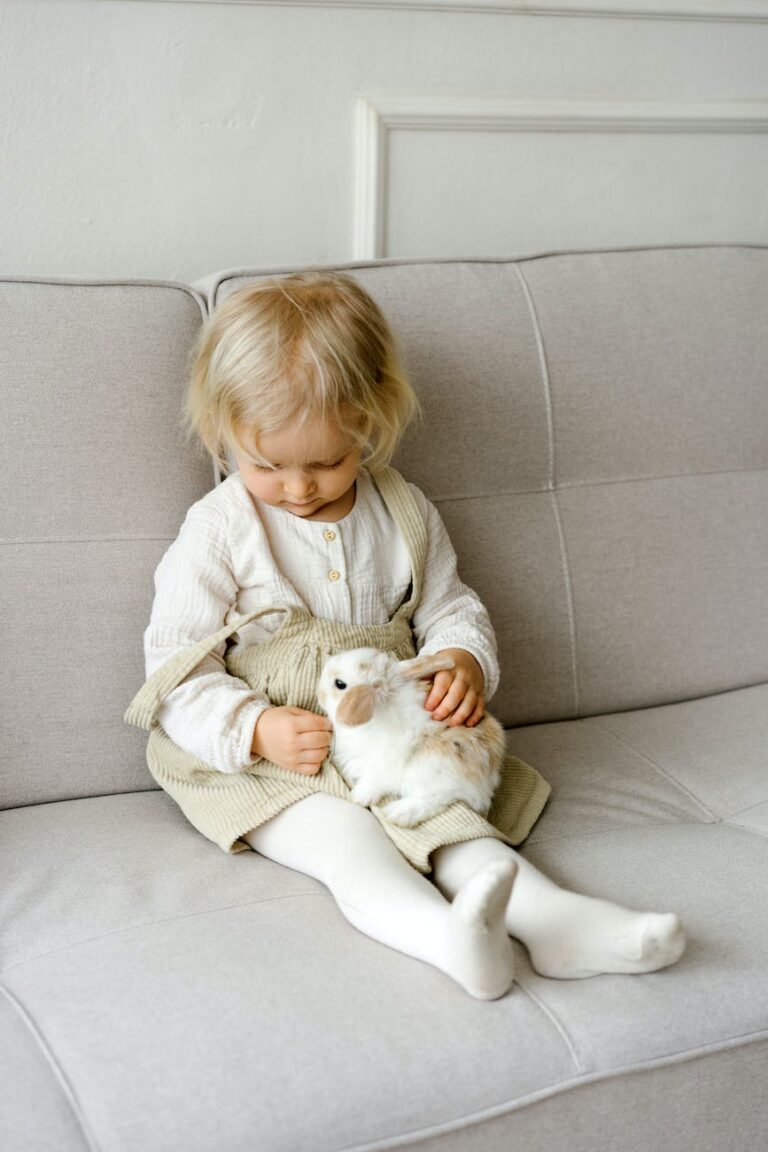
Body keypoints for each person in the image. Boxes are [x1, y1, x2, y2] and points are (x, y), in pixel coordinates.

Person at [126, 271, 686, 1000]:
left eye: (327, 461)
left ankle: (556, 924)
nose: (300, 488)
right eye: (267, 465)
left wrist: (461, 660)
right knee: (346, 839)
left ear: (370, 422)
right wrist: (255, 727)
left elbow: (451, 607)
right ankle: (447, 942)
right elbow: (173, 666)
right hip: (273, 760)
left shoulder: (403, 511)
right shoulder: (220, 529)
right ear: (223, 434)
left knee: (452, 821)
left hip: (390, 734)